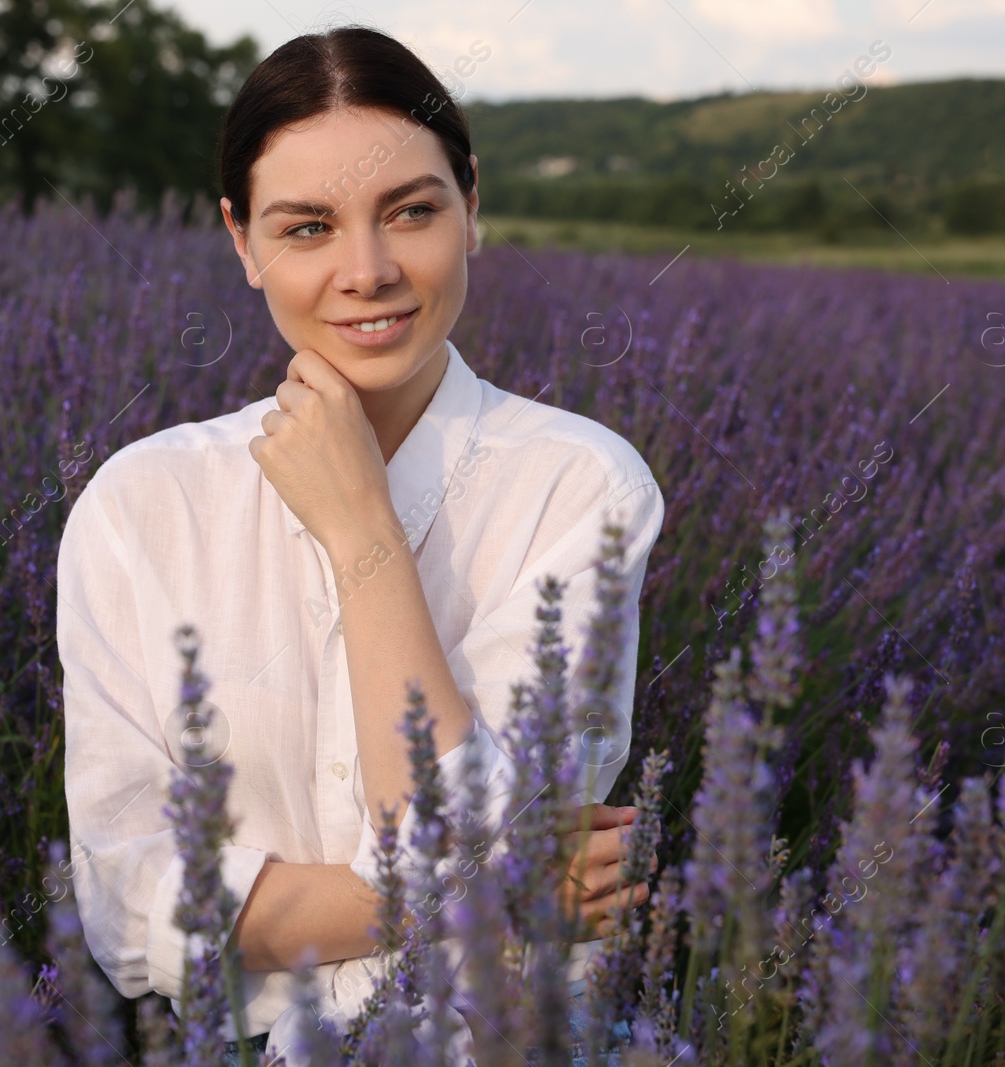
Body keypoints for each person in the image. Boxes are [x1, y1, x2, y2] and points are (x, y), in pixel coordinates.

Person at [56, 23, 665, 1066]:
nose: (368, 270)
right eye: (305, 228)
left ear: (471, 207)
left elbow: (441, 831)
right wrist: (508, 892)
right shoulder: (141, 504)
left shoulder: (580, 486)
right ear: (240, 241)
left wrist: (360, 528)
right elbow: (126, 906)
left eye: (410, 212)